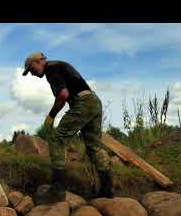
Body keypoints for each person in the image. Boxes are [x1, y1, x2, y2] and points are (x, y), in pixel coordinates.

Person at [22, 52, 114, 202]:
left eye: (31, 70)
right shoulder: (59, 65)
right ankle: (107, 190)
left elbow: (63, 95)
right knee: (93, 147)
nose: (31, 74)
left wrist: (51, 116)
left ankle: (58, 190)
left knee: (57, 140)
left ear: (39, 62)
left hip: (83, 103)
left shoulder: (51, 69)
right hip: (93, 101)